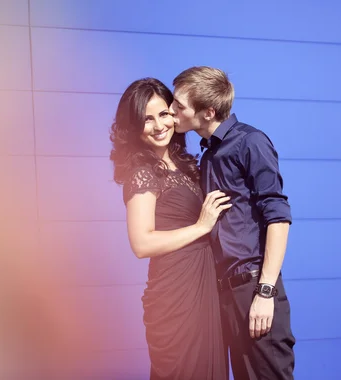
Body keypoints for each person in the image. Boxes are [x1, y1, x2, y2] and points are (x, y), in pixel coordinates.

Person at [171, 66, 296, 380]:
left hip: (254, 289)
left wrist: (265, 293)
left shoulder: (250, 142)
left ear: (208, 112)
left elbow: (278, 217)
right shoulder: (209, 153)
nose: (172, 111)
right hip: (224, 294)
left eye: (179, 105)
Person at [109, 77, 230, 380]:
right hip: (175, 296)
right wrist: (202, 225)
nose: (158, 125)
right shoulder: (143, 172)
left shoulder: (185, 164)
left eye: (163, 113)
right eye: (146, 119)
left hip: (203, 288)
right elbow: (142, 244)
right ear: (134, 127)